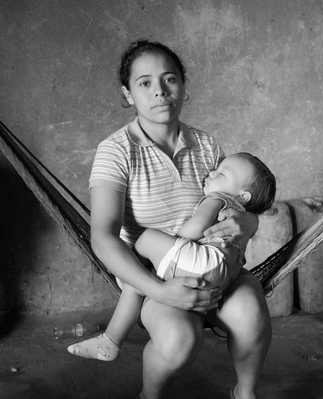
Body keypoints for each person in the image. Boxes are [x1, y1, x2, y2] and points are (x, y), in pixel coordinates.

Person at [73, 39, 272, 399]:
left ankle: (245, 393)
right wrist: (162, 291)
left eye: (170, 79)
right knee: (180, 339)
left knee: (249, 308)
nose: (160, 92)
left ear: (183, 85)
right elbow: (102, 236)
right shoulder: (116, 151)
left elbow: (232, 199)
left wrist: (250, 224)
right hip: (153, 273)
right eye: (144, 83)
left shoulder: (206, 145)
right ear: (128, 94)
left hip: (212, 260)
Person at [67, 152, 275, 362]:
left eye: (222, 173)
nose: (212, 173)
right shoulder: (239, 212)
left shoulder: (217, 199)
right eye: (215, 169)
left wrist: (174, 241)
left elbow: (196, 228)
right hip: (223, 276)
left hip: (200, 262)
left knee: (145, 242)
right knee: (136, 284)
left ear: (243, 195)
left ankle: (111, 340)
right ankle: (110, 340)